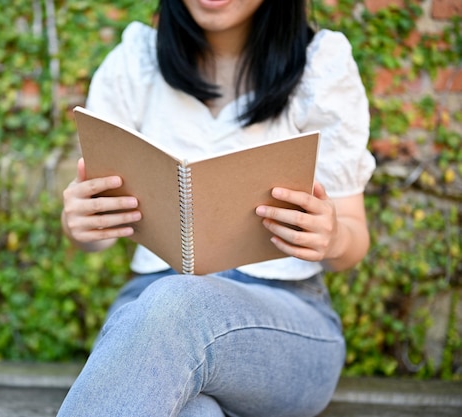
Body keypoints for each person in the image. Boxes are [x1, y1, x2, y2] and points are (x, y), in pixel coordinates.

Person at [58, 0, 375, 416]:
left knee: (177, 303)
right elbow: (96, 233)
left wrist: (332, 237)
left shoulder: (321, 65)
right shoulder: (134, 63)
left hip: (284, 322)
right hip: (148, 312)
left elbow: (353, 241)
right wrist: (79, 224)